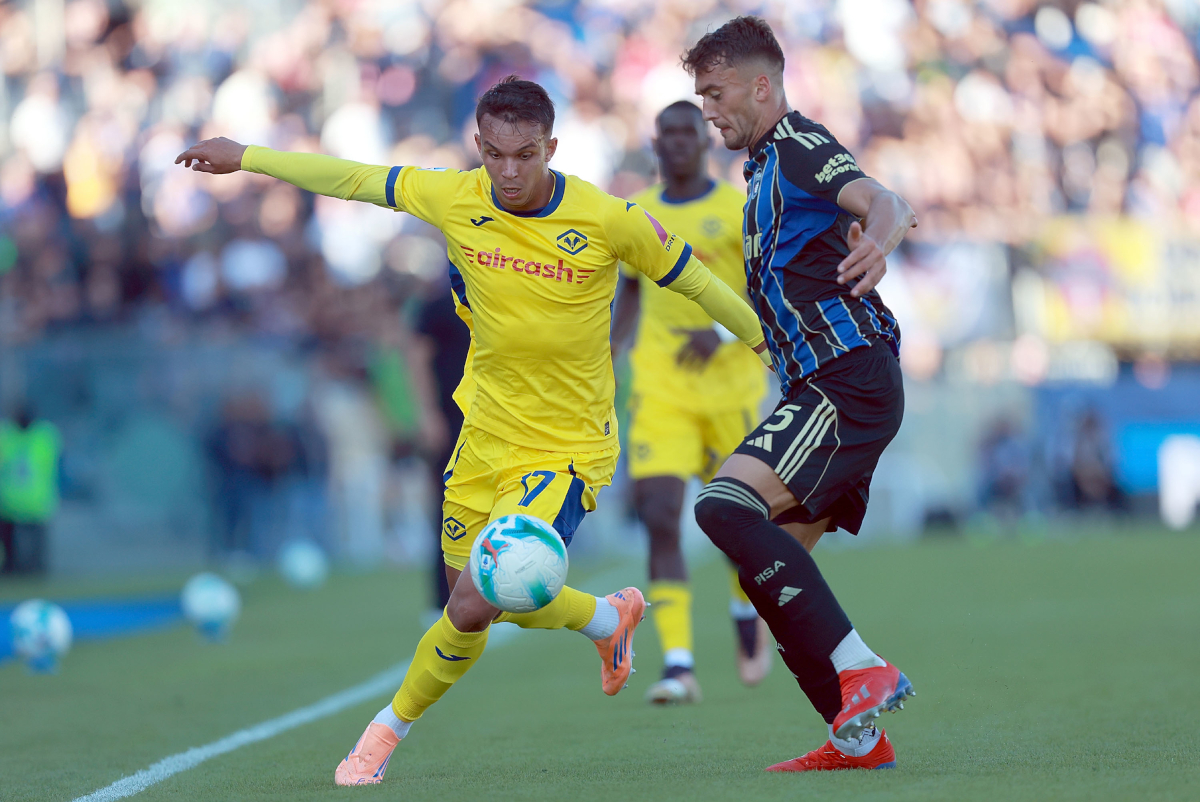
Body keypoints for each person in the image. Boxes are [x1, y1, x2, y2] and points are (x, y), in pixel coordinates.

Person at [176, 76, 770, 786]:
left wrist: (769, 345)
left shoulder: (611, 219)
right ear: (478, 147)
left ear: (552, 146)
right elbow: (357, 179)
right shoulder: (456, 196)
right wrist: (247, 156)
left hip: (567, 449)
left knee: (470, 602)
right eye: (494, 154)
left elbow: (700, 284)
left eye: (524, 154)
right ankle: (608, 621)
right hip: (483, 439)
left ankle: (380, 736)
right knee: (481, 597)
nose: (509, 172)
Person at [682, 17, 919, 771]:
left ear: (762, 85)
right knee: (772, 570)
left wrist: (879, 240)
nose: (707, 110)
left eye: (716, 93)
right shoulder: (761, 169)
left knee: (723, 505)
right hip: (832, 381)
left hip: (845, 377)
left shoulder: (798, 144)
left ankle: (863, 667)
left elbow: (883, 199)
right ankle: (858, 740)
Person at [610, 100, 771, 705]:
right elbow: (628, 290)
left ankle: (745, 615)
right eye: (666, 134)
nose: (677, 142)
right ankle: (678, 664)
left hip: (730, 389)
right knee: (658, 514)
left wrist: (723, 331)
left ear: (704, 141)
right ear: (656, 144)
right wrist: (611, 351)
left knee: (741, 526)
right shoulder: (639, 215)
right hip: (661, 388)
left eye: (687, 132)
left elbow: (765, 293)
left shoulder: (735, 210)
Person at [0, 405, 62, 576]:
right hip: (12, 502)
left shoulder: (44, 436)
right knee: (9, 544)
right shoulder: (7, 435)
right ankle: (13, 567)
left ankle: (34, 570)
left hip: (35, 502)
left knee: (37, 547)